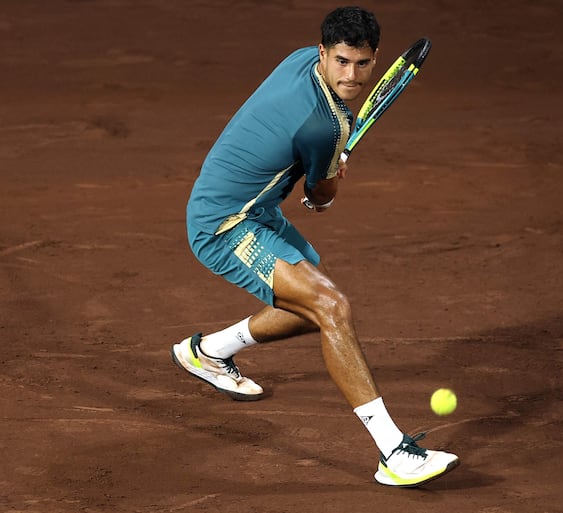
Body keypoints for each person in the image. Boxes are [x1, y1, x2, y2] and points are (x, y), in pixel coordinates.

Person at [171, 6, 459, 487]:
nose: (351, 76)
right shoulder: (325, 128)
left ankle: (207, 352)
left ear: (375, 59)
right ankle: (394, 452)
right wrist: (330, 175)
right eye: (342, 62)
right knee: (331, 306)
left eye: (362, 64)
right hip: (224, 224)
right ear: (324, 52)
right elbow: (318, 199)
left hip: (251, 209)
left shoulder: (300, 59)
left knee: (310, 308)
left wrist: (325, 162)